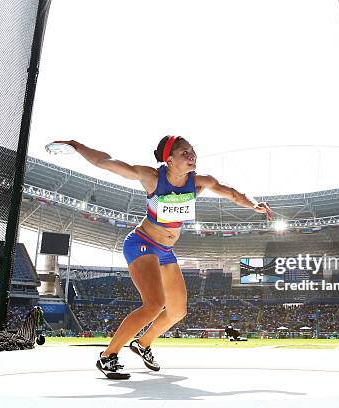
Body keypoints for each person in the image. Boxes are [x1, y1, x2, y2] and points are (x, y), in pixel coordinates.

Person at [50, 136, 271, 379]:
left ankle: (142, 344)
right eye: (184, 152)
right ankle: (108, 356)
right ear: (169, 159)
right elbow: (107, 162)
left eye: (192, 151)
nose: (191, 155)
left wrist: (253, 205)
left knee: (177, 311)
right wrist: (77, 145)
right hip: (142, 244)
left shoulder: (199, 182)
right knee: (154, 304)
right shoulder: (153, 178)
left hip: (165, 251)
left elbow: (230, 193)